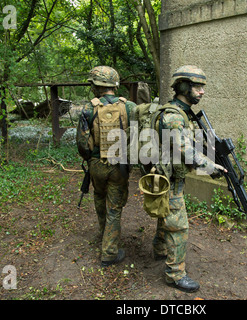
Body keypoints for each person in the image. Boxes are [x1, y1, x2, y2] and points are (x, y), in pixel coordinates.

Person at [152, 65, 226, 292]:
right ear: (183, 86)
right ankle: (174, 274)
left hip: (170, 176)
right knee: (179, 226)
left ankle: (159, 249)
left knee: (167, 214)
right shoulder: (174, 116)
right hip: (169, 178)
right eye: (197, 86)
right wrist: (210, 166)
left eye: (203, 86)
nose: (202, 91)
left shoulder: (182, 112)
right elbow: (184, 149)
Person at [79, 66, 136, 267]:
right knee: (114, 207)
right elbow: (136, 139)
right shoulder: (129, 107)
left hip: (96, 165)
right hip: (118, 166)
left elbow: (82, 143)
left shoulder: (88, 109)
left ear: (95, 86)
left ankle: (105, 236)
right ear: (114, 85)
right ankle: (110, 251)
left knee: (99, 198)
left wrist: (90, 158)